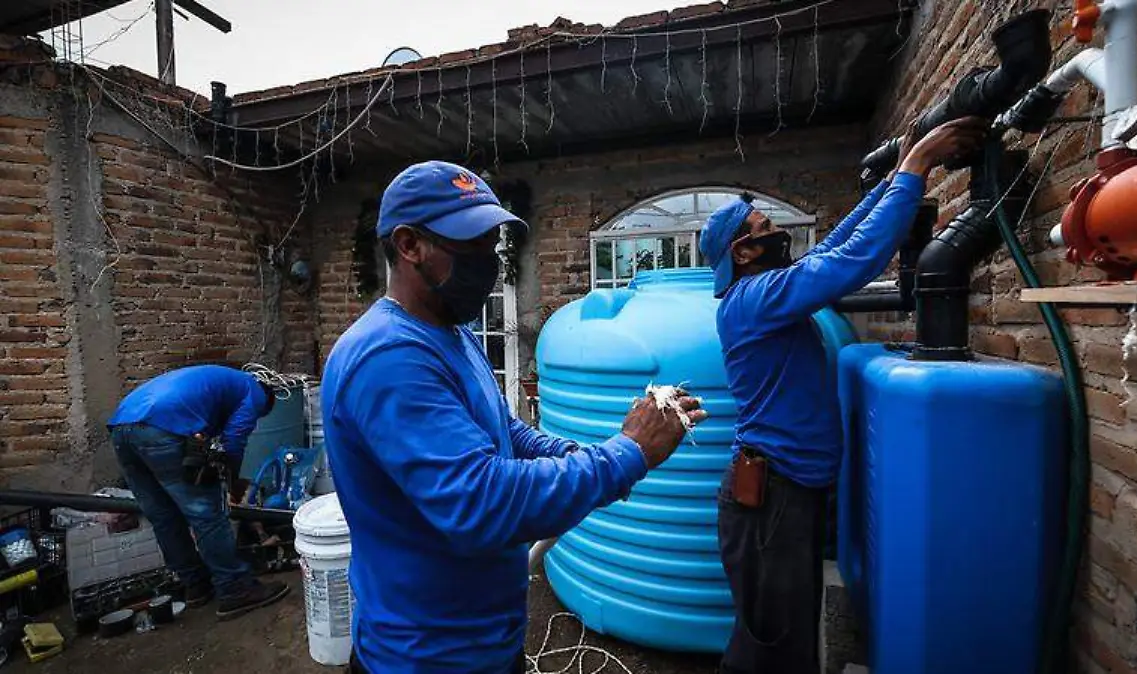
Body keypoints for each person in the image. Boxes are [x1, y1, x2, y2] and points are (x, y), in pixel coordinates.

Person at [321, 160, 706, 674]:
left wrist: (577, 457)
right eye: (471, 242)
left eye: (493, 241)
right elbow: (481, 502)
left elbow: (503, 430)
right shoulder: (389, 358)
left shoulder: (450, 331)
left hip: (484, 641)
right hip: (428, 657)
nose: (491, 260)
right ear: (409, 245)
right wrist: (625, 455)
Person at [699, 118, 988, 674]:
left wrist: (889, 183)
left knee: (787, 632)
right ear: (743, 252)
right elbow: (849, 263)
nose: (776, 230)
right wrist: (916, 168)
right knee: (772, 646)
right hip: (770, 498)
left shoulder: (764, 291)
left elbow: (832, 246)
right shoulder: (754, 298)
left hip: (786, 489)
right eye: (763, 227)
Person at [107, 364, 290, 620]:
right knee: (207, 513)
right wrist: (231, 481)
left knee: (163, 515)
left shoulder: (221, 382)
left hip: (122, 425)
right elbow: (235, 440)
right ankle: (236, 589)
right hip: (162, 426)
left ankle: (195, 584)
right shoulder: (255, 392)